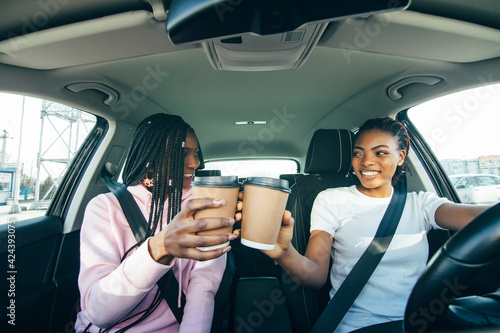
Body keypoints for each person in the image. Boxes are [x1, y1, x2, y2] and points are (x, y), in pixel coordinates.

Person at [262, 117, 491, 332]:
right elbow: (316, 276)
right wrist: (284, 253)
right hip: (359, 327)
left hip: (418, 323)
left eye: (380, 152)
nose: (366, 162)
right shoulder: (332, 199)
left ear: (401, 157)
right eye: (357, 153)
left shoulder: (421, 204)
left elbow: (477, 218)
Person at [75, 113, 240, 333]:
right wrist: (158, 249)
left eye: (197, 153)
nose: (196, 163)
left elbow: (203, 289)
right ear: (151, 156)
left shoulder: (204, 207)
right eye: (183, 153)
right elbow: (99, 313)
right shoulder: (104, 207)